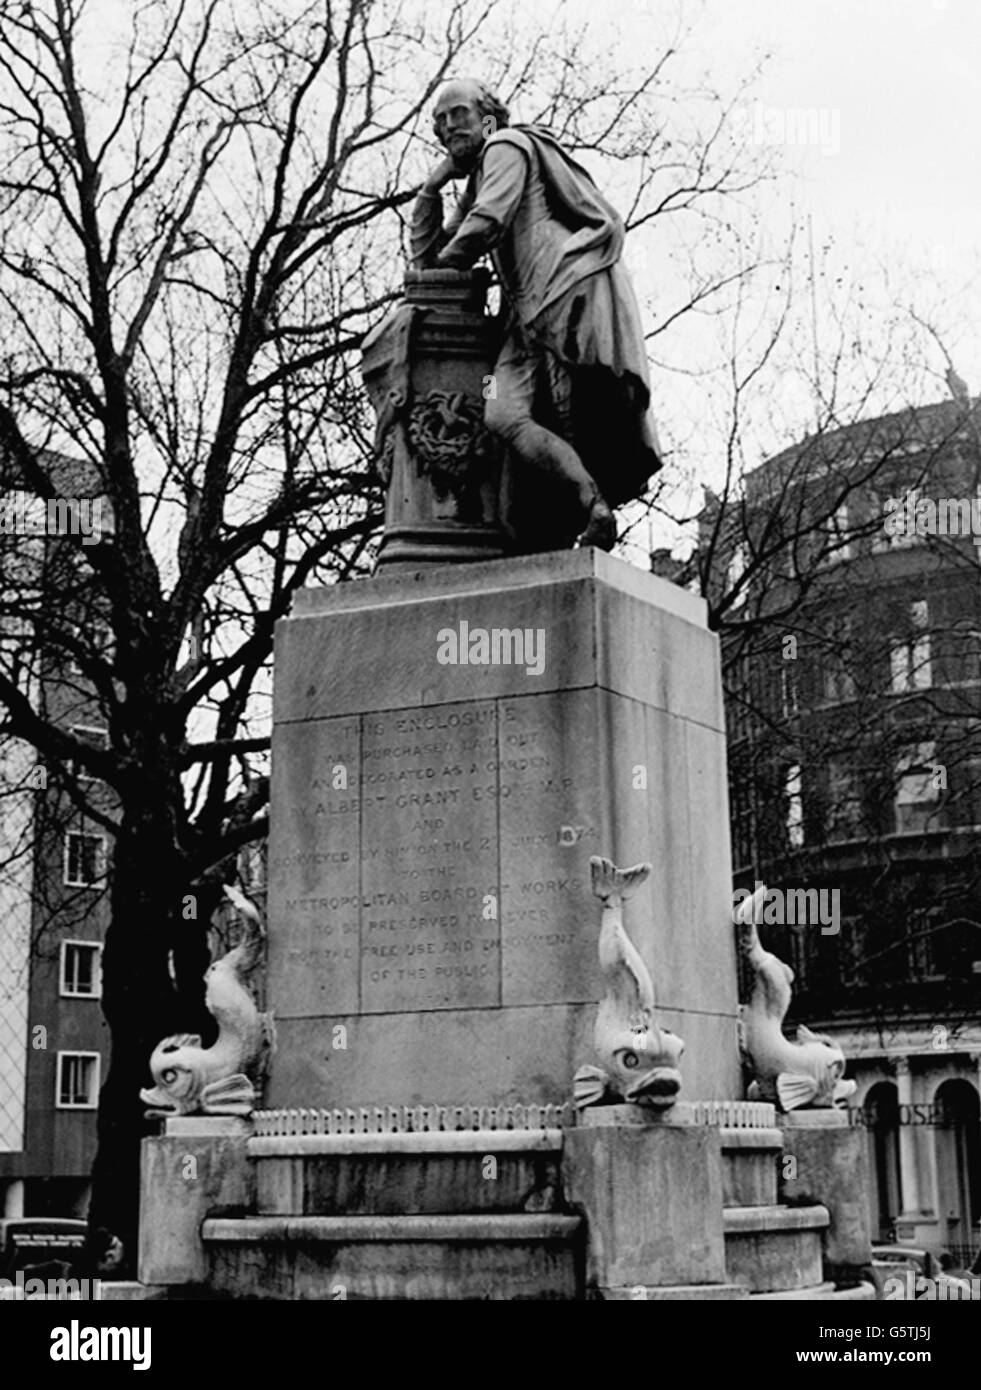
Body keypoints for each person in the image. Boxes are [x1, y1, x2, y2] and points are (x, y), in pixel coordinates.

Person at [411, 78, 662, 551]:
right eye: (439, 122)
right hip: (523, 316)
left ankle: (588, 514)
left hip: (557, 293)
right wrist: (431, 187)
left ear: (487, 116)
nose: (447, 128)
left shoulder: (505, 146)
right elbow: (431, 256)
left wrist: (443, 271)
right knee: (502, 414)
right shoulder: (480, 173)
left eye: (458, 114)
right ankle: (591, 502)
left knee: (569, 417)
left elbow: (485, 224)